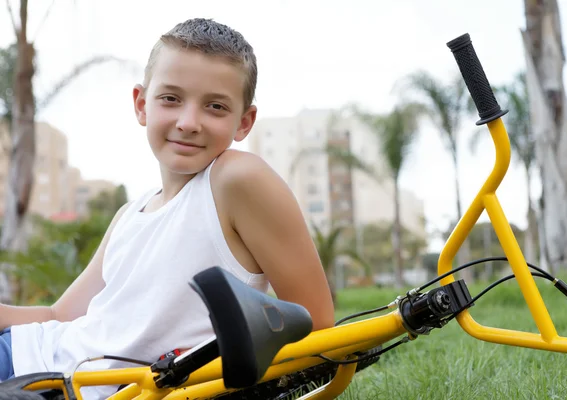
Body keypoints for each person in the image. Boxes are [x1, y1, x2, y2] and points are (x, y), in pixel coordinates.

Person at [0, 18, 335, 399]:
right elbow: (60, 317)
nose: (189, 122)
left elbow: (318, 327)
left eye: (215, 106)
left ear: (244, 122)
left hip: (59, 386)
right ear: (142, 105)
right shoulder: (130, 214)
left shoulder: (237, 178)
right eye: (171, 99)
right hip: (27, 353)